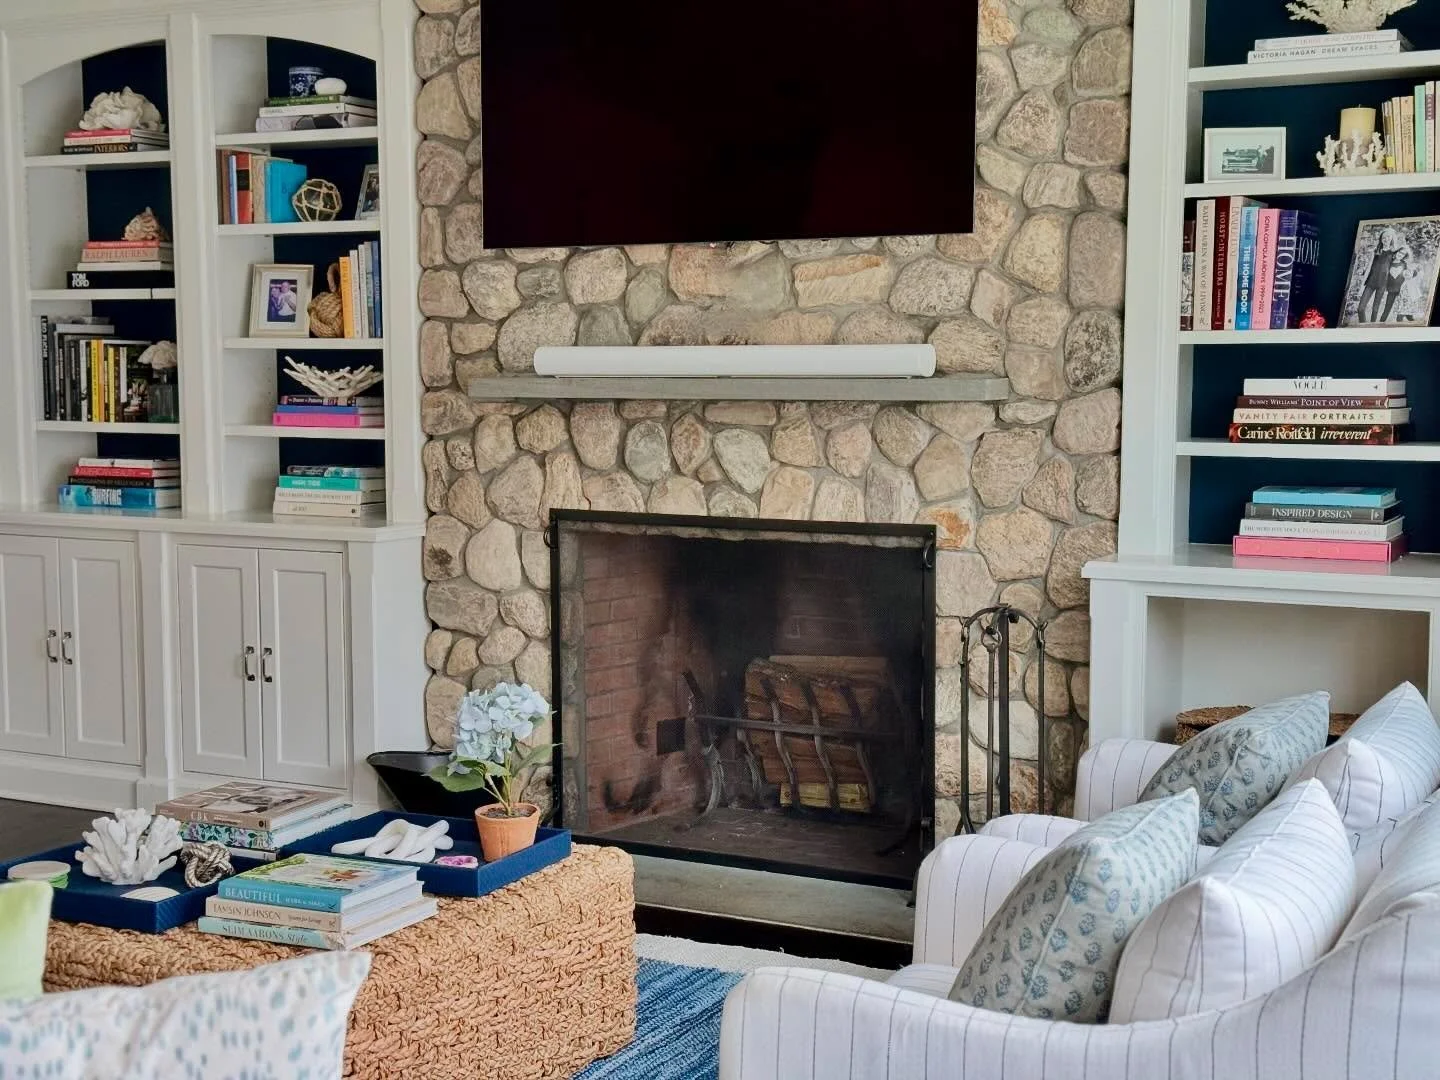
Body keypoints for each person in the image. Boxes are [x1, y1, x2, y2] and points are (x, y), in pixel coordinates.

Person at [1358, 227, 1399, 323]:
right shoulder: (1376, 251)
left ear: (1392, 238)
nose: (1386, 239)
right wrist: (1362, 285)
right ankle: (1363, 325)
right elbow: (1369, 268)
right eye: (1384, 237)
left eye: (1388, 237)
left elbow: (1395, 270)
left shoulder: (1393, 253)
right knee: (1360, 308)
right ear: (1381, 239)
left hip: (1382, 284)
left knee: (1375, 310)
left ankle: (1372, 328)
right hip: (1370, 282)